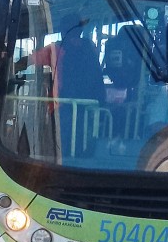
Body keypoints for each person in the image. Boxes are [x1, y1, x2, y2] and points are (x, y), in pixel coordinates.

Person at [15, 13, 105, 156]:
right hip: (88, 107)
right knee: (83, 144)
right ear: (80, 30)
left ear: (63, 30)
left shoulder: (55, 49)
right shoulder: (90, 47)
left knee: (60, 147)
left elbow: (28, 61)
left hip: (61, 106)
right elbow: (97, 77)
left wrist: (12, 68)